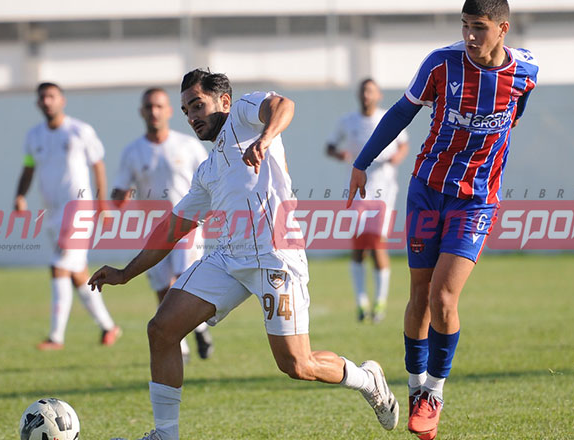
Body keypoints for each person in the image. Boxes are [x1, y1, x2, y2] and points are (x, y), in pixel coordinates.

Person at [89, 69, 399, 440]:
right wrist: (126, 272)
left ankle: (367, 379)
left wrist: (266, 138)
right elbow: (172, 228)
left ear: (223, 101)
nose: (191, 116)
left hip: (275, 257)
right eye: (186, 109)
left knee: (296, 364)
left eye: (197, 105)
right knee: (161, 329)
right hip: (227, 260)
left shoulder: (243, 115)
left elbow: (283, 105)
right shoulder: (207, 170)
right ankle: (165, 434)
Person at [346, 1, 538, 438]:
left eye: (480, 28)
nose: (471, 36)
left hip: (475, 203)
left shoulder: (526, 70)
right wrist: (362, 161)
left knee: (443, 299)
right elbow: (400, 111)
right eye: (466, 26)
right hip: (427, 192)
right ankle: (414, 388)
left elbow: (517, 110)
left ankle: (434, 390)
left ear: (503, 28)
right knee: (419, 294)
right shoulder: (441, 64)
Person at [14, 82, 120, 350]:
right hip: (52, 212)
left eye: (51, 96)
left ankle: (55, 337)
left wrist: (102, 202)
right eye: (42, 98)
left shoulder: (79, 131)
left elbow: (98, 165)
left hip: (79, 207)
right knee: (76, 274)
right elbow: (28, 167)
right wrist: (20, 195)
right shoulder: (33, 136)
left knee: (58, 266)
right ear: (38, 104)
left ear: (62, 100)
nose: (47, 101)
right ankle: (109, 327)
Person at [112, 87, 214, 362]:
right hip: (151, 230)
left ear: (169, 111)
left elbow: (210, 179)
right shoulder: (133, 152)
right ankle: (180, 346)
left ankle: (200, 329)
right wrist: (117, 200)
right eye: (148, 107)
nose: (154, 112)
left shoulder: (187, 145)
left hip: (185, 226)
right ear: (141, 112)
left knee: (184, 283)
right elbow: (119, 190)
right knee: (162, 289)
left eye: (159, 106)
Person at [326, 78, 409, 323]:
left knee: (377, 243)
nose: (366, 96)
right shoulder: (347, 121)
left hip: (383, 188)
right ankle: (361, 301)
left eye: (370, 91)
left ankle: (380, 303)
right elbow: (330, 146)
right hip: (357, 188)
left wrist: (397, 157)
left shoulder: (388, 117)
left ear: (378, 95)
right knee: (359, 246)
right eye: (363, 91)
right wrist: (339, 153)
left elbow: (403, 144)